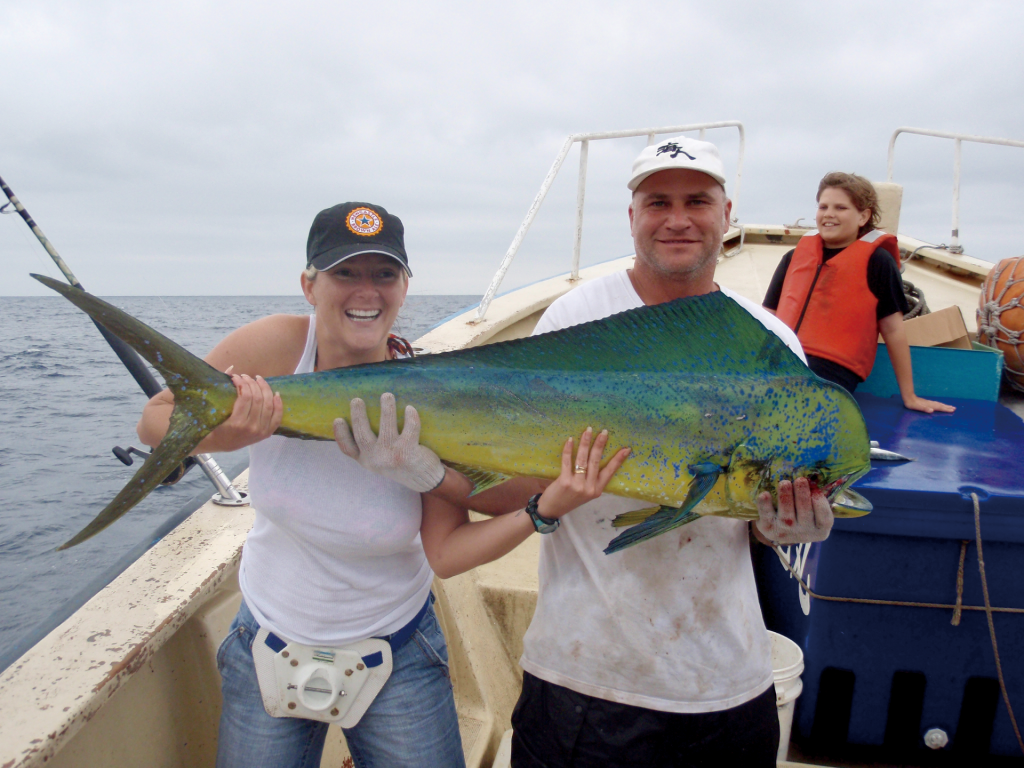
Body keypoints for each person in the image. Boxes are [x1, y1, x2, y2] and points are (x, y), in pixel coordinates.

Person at [136, 202, 630, 768]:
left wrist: (534, 509)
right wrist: (228, 434)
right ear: (309, 284)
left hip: (396, 655)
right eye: (345, 273)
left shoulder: (431, 394)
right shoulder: (277, 348)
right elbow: (155, 419)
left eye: (383, 274)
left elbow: (446, 555)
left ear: (404, 288)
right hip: (266, 641)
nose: (365, 291)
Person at [501, 137, 834, 767]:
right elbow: (520, 472)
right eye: (658, 201)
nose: (678, 218)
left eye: (697, 200)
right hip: (584, 675)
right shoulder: (575, 317)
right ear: (632, 217)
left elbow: (760, 514)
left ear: (726, 214)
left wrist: (783, 525)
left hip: (727, 682)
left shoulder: (768, 339)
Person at [762, 171, 955, 414]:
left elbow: (894, 330)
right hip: (780, 359)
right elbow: (766, 315)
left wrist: (910, 396)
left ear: (863, 216)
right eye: (823, 206)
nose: (829, 214)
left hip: (830, 370)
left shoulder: (878, 262)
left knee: (785, 410)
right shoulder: (793, 258)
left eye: (841, 208)